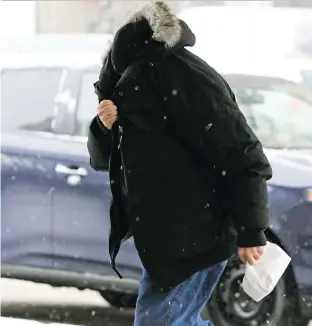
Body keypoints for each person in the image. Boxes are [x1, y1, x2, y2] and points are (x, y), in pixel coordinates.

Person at [87, 2, 272, 325]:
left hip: (196, 234)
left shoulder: (186, 79)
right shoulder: (123, 85)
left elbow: (244, 155)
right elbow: (103, 160)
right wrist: (103, 127)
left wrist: (251, 230)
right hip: (165, 237)